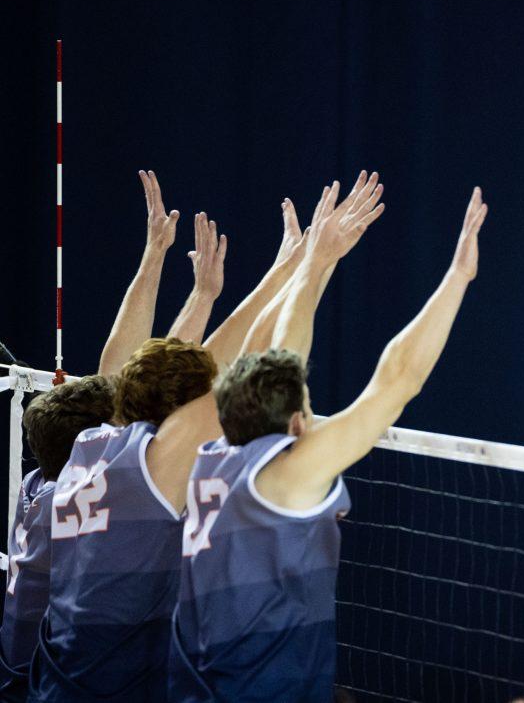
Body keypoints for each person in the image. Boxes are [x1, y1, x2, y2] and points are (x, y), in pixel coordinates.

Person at [168, 178, 486, 702]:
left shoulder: (214, 457)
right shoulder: (286, 477)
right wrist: (457, 277)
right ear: (296, 424)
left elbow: (274, 351)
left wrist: (317, 261)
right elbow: (397, 382)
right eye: (308, 407)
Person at [29, 180, 308, 702]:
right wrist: (297, 271)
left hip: (58, 678)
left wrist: (184, 279)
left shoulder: (90, 445)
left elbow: (135, 367)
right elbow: (234, 366)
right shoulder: (153, 472)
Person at [0, 171, 217, 703]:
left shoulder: (44, 486)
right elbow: (128, 383)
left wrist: (159, 257)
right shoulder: (85, 494)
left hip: (28, 671)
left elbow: (120, 379)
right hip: (38, 688)